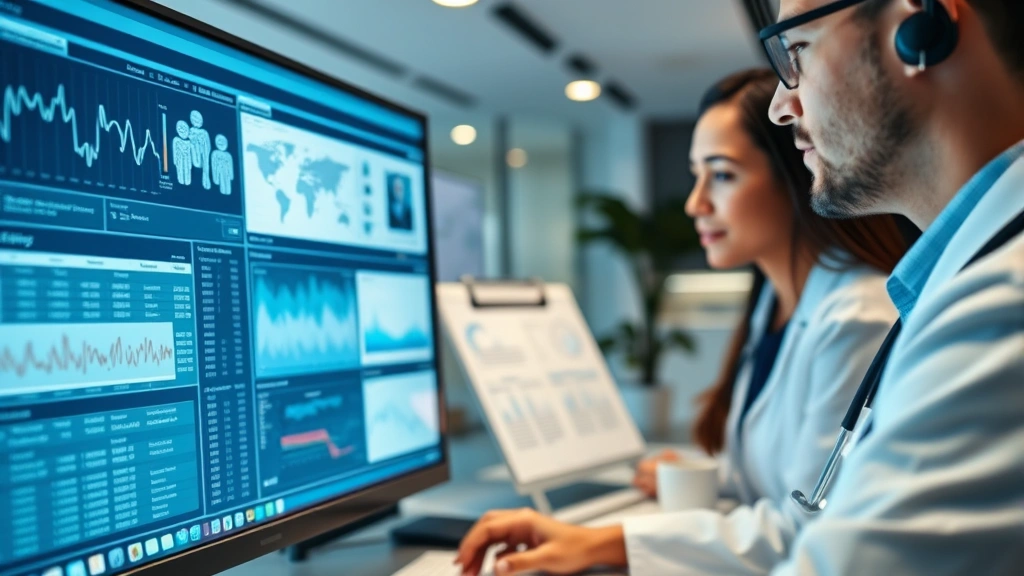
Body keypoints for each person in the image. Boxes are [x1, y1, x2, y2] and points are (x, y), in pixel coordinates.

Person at [454, 68, 912, 576]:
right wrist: (707, 479)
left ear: (797, 173)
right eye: (696, 174)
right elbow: (778, 477)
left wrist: (600, 543)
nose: (696, 203)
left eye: (721, 174)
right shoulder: (773, 304)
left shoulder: (857, 315)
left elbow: (807, 523)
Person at [760, 0, 1024, 573]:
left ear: (920, 20)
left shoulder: (1007, 307)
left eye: (797, 49)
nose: (783, 106)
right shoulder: (963, 280)